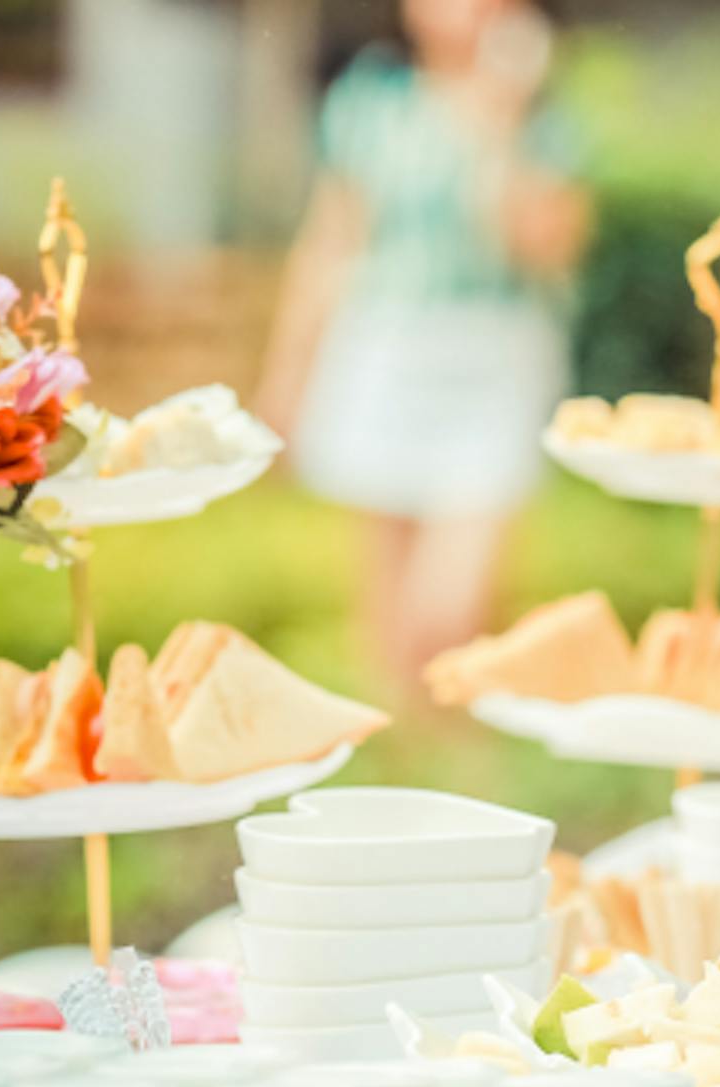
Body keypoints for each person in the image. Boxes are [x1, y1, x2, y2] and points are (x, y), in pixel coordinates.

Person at [255, 0, 592, 692]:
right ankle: (415, 768)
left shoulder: (542, 120)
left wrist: (498, 119)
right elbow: (331, 242)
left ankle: (462, 756)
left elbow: (544, 247)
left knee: (450, 612)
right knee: (386, 617)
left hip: (493, 356)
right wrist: (286, 376)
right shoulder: (372, 101)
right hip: (385, 347)